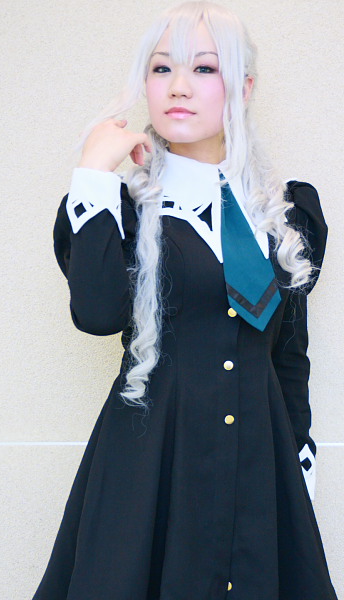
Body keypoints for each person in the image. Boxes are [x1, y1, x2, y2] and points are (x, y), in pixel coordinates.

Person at [31, 2, 338, 599]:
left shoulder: (284, 212)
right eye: (161, 68)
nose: (177, 87)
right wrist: (92, 171)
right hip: (150, 469)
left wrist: (297, 455)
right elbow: (97, 315)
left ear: (243, 88)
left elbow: (288, 351)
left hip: (260, 466)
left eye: (203, 68)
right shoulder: (119, 208)